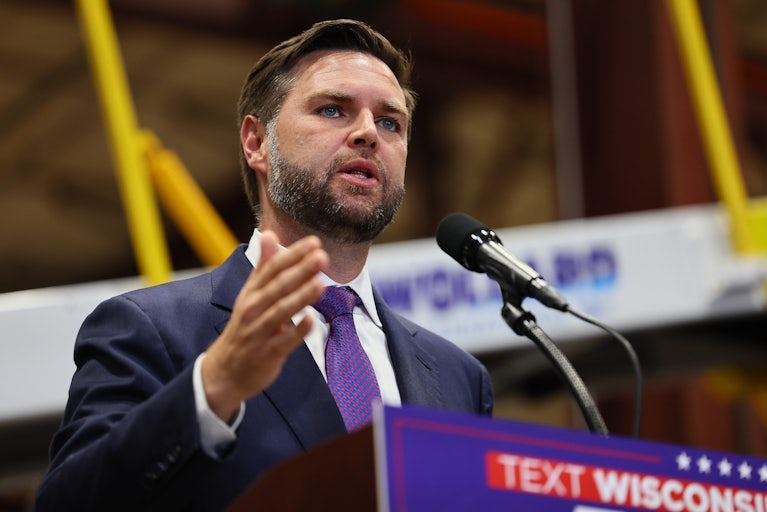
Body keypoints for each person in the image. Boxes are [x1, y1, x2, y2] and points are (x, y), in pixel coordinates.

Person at [34, 19, 493, 511]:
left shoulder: (458, 376)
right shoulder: (149, 329)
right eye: (333, 109)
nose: (367, 134)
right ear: (256, 143)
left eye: (390, 122)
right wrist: (215, 386)